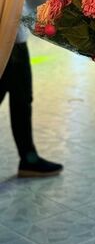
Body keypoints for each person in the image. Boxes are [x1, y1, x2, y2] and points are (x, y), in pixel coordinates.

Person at [0, 25, 63, 177]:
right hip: (6, 42)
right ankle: (29, 159)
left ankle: (29, 159)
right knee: (21, 101)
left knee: (22, 101)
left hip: (15, 41)